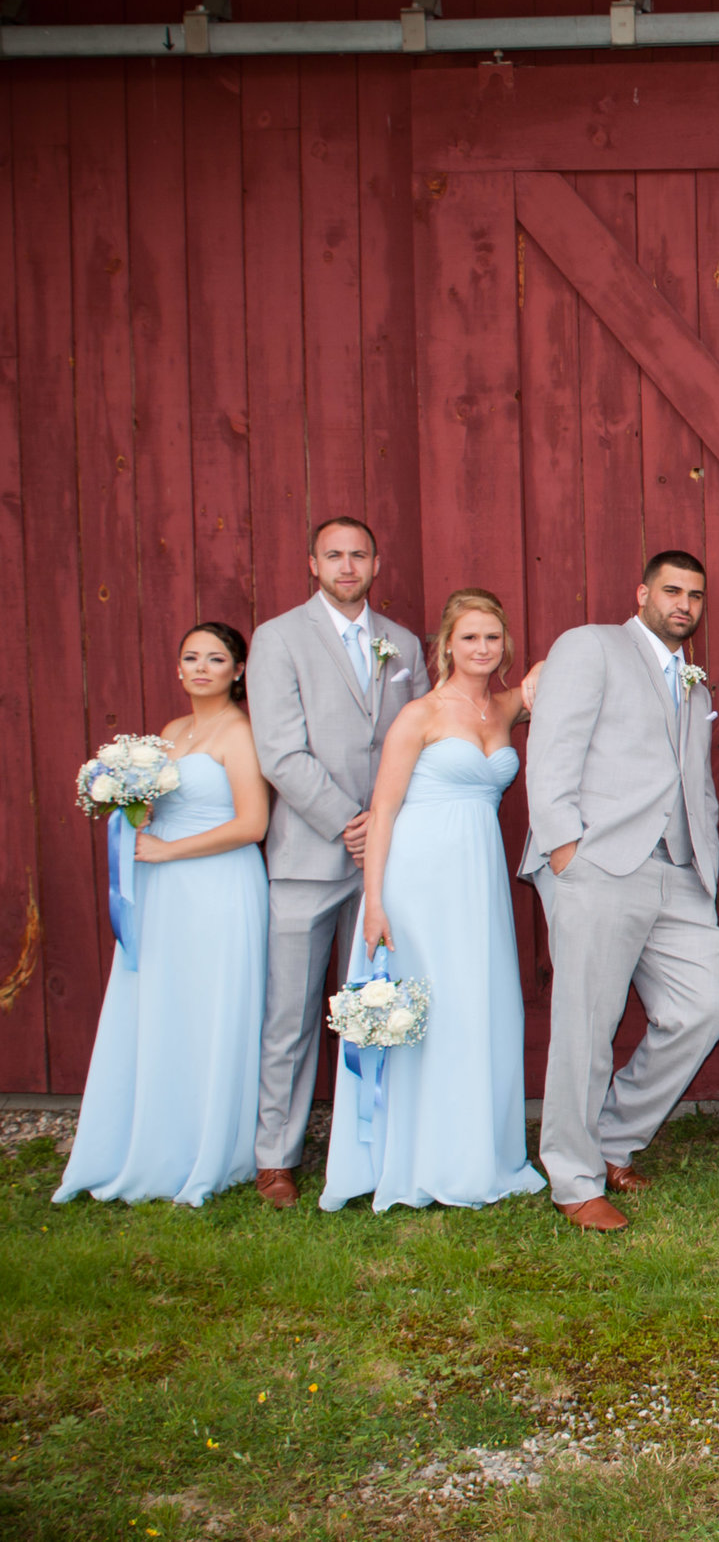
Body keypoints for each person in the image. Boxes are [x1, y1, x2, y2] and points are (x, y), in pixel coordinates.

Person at [522, 551, 719, 1232]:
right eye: (672, 591)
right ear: (642, 593)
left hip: (678, 871)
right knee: (585, 1024)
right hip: (599, 861)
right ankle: (573, 1178)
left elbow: (695, 782)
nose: (683, 604)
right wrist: (564, 846)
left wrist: (705, 862)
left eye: (694, 595)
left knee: (703, 1010)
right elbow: (552, 747)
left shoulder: (693, 685)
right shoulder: (591, 647)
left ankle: (613, 1139)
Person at [319, 590, 547, 1212]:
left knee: (476, 1004)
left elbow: (556, 671)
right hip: (418, 879)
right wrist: (374, 903)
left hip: (479, 880)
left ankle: (474, 1152)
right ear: (446, 644)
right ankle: (414, 1157)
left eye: (493, 637)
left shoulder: (504, 706)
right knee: (427, 1007)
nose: (482, 648)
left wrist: (540, 671)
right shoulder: (418, 715)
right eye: (469, 637)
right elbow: (384, 811)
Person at [246, 517, 429, 1208]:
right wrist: (350, 823)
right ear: (313, 564)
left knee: (381, 1002)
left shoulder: (403, 642)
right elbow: (279, 751)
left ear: (376, 563)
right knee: (290, 1014)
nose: (347, 566)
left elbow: (419, 740)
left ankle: (374, 1149)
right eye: (334, 555)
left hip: (386, 860)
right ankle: (276, 1157)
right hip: (308, 855)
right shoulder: (278, 638)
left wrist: (382, 826)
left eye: (358, 555)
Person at [57, 624, 270, 1206]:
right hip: (163, 888)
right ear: (177, 668)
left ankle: (205, 1146)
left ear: (238, 671)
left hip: (216, 885)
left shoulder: (240, 733)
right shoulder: (173, 732)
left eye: (216, 658)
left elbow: (253, 824)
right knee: (164, 1004)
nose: (202, 667)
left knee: (207, 1007)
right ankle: (154, 1135)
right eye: (191, 657)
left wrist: (168, 850)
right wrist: (133, 809)